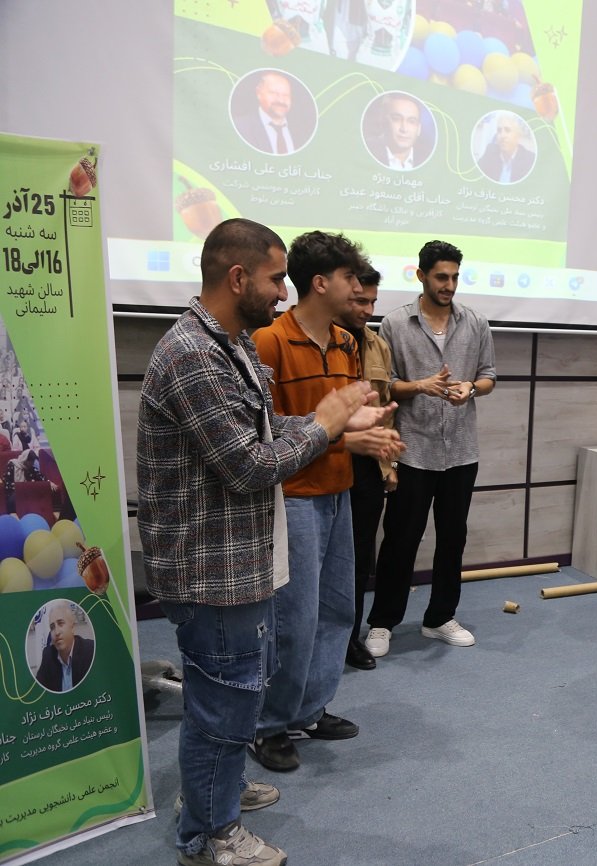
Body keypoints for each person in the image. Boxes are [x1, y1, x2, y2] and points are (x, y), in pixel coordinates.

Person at [138, 217, 392, 866]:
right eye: (277, 278)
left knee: (228, 695)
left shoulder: (229, 345)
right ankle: (209, 834)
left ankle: (212, 795)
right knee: (224, 700)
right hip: (209, 567)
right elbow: (250, 464)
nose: (284, 291)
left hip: (238, 557)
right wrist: (328, 423)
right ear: (237, 277)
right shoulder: (194, 355)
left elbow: (265, 426)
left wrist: (338, 425)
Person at [249, 231, 403, 772]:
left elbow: (338, 421)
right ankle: (269, 725)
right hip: (293, 497)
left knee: (338, 609)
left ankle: (308, 710)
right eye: (349, 278)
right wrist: (346, 437)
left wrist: (366, 431)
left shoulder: (345, 342)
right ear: (319, 283)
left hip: (340, 491)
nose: (358, 288)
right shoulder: (269, 341)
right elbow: (266, 431)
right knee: (293, 619)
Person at [364, 240, 496, 657]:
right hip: (413, 451)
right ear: (421, 275)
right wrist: (420, 386)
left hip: (461, 451)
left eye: (455, 277)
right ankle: (382, 622)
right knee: (401, 540)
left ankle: (440, 618)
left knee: (453, 539)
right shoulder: (395, 324)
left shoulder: (475, 322)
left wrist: (471, 387)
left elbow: (489, 375)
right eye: (441, 277)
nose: (449, 285)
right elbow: (384, 386)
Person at [336, 263, 397, 670]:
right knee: (322, 561)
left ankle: (349, 639)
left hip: (367, 468)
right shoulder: (318, 341)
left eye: (373, 302)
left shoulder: (377, 345)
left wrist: (389, 465)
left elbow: (386, 410)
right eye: (360, 300)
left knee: (359, 558)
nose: (367, 310)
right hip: (324, 460)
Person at [234, 71, 310, 155]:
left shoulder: (302, 131)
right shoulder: (240, 127)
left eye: (286, 95)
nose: (281, 100)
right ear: (259, 93)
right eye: (274, 93)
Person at [34, 599, 94, 692]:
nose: (56, 632)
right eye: (52, 627)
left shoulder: (90, 650)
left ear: (72, 627)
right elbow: (39, 691)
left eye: (61, 623)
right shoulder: (48, 654)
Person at [367, 92, 431, 170]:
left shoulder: (428, 160)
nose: (404, 129)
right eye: (396, 119)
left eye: (411, 121)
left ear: (419, 129)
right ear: (383, 122)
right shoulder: (367, 151)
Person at [476, 112, 535, 184]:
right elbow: (476, 174)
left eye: (507, 130)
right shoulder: (490, 151)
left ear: (518, 136)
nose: (502, 135)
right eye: (499, 131)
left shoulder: (529, 160)